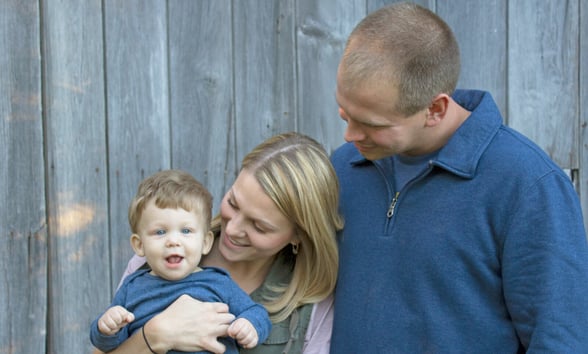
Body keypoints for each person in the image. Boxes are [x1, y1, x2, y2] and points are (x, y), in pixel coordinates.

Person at [330, 2, 588, 353]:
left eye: (371, 124)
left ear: (435, 109)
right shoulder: (343, 169)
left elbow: (560, 339)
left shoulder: (527, 185)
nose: (349, 136)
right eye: (345, 115)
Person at [92, 132, 342, 354]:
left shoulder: (311, 306)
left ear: (299, 235)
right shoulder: (157, 258)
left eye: (259, 226)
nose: (232, 228)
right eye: (233, 203)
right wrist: (154, 337)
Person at [90, 169, 271, 353]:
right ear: (139, 245)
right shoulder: (132, 288)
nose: (173, 241)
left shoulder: (218, 282)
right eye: (160, 232)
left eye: (186, 231)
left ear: (206, 242)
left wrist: (248, 325)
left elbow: (257, 313)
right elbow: (108, 345)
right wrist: (106, 328)